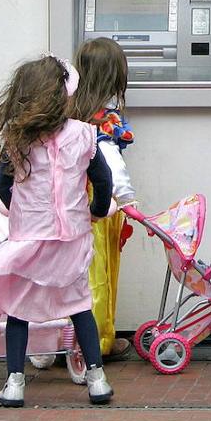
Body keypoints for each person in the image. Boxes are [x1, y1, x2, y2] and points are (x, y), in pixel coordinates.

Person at [0, 55, 116, 406]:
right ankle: (97, 379)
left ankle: (15, 383)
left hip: (29, 240)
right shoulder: (84, 134)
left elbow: (2, 184)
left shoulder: (17, 141)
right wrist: (94, 211)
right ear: (63, 96)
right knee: (80, 306)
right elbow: (103, 181)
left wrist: (18, 208)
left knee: (18, 310)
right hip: (72, 240)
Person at [70, 37, 140, 362]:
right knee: (97, 276)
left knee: (70, 276)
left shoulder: (70, 111)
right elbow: (111, 164)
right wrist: (128, 201)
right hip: (99, 207)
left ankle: (65, 340)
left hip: (69, 205)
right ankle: (97, 343)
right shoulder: (103, 120)